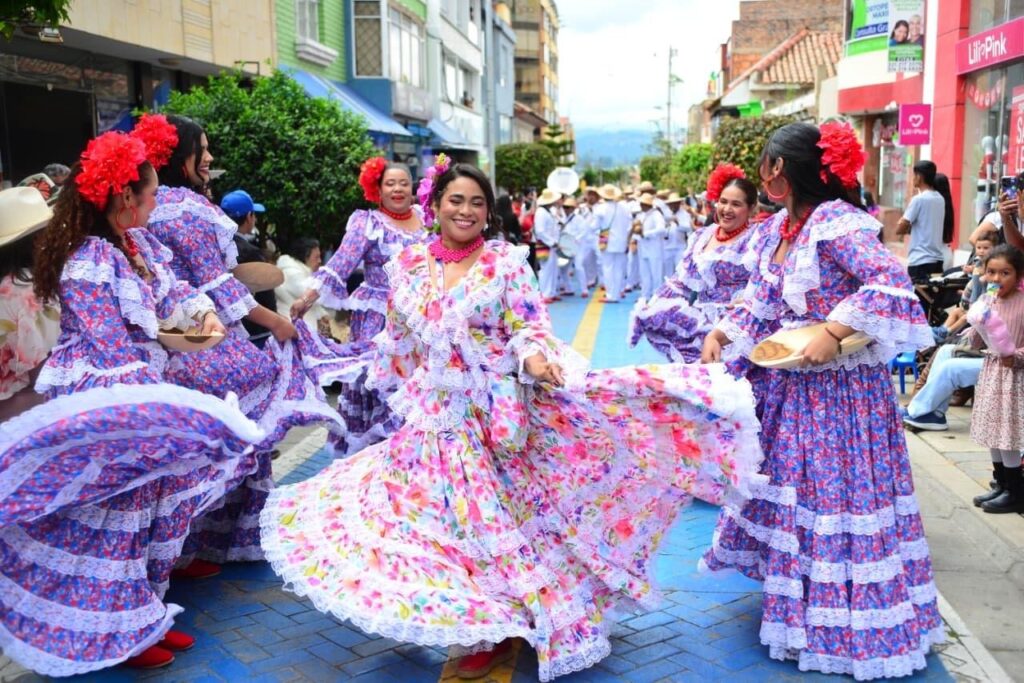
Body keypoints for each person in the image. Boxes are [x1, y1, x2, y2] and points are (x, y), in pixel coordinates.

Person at [260, 161, 763, 682]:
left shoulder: (504, 262)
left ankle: (495, 627)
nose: (466, 211)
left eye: (477, 203)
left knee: (489, 521)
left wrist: (536, 359)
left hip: (492, 414)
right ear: (435, 206)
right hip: (431, 415)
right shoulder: (407, 266)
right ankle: (464, 614)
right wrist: (383, 376)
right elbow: (401, 338)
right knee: (427, 519)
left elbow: (529, 326)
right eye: (456, 200)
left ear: (488, 212)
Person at [9, 129, 265, 674]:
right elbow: (109, 346)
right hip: (108, 401)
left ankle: (145, 618)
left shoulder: (138, 244)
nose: (155, 205)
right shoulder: (87, 259)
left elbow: (175, 294)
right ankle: (119, 633)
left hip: (141, 389)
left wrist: (202, 317)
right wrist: (160, 405)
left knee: (153, 508)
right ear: (125, 197)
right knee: (116, 520)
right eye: (149, 196)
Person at [701, 121, 943, 679]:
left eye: (766, 163)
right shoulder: (779, 228)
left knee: (836, 499)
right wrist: (722, 332)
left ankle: (848, 623)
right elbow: (761, 298)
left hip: (842, 396)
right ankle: (808, 607)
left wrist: (833, 330)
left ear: (781, 171)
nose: (761, 173)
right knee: (801, 494)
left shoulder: (836, 223)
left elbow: (891, 286)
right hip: (793, 388)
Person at [140, 113, 342, 571]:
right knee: (241, 421)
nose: (209, 157)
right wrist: (276, 322)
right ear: (180, 155)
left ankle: (183, 548)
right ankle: (196, 547)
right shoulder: (185, 208)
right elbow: (216, 283)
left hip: (165, 342)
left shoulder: (148, 207)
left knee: (188, 450)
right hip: (202, 338)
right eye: (202, 149)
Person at [289, 157, 431, 454]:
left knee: (421, 387)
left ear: (413, 188)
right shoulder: (368, 223)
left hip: (422, 317)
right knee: (379, 385)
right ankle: (379, 454)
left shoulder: (427, 218)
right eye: (390, 184)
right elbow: (341, 262)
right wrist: (307, 299)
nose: (397, 189)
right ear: (377, 189)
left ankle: (416, 454)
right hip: (380, 320)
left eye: (403, 183)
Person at [631, 164, 759, 366]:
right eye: (723, 201)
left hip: (739, 326)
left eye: (736, 204)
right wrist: (653, 305)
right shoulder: (702, 236)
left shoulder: (759, 239)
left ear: (751, 208)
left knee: (732, 377)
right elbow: (680, 283)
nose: (726, 209)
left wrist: (748, 299)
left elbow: (768, 286)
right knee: (698, 379)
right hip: (701, 326)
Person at [966, 244, 1024, 513]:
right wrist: (977, 324)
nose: (997, 278)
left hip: (1014, 377)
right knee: (992, 430)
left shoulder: (1021, 304)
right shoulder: (989, 301)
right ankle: (1000, 483)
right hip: (992, 371)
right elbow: (977, 341)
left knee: (1006, 434)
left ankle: (1015, 491)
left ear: (1019, 275)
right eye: (991, 272)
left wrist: (1017, 356)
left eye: (1005, 273)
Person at [0, 187, 59, 422]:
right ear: (37, 241)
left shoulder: (11, 283)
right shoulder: (24, 290)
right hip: (11, 412)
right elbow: (44, 377)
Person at [221, 188, 276, 347]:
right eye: (254, 214)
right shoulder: (250, 253)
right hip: (254, 333)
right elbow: (266, 297)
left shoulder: (215, 246)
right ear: (248, 217)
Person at [898, 160, 949, 281]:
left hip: (920, 261)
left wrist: (903, 224)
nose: (913, 178)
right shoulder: (940, 199)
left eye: (914, 175)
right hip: (937, 260)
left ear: (919, 177)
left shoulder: (918, 199)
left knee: (918, 292)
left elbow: (901, 228)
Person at [276, 237, 327, 328]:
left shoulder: (303, 271)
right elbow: (313, 295)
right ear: (305, 257)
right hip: (294, 325)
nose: (319, 261)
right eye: (316, 257)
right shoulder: (291, 272)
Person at [596, 184, 630, 303]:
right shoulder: (624, 208)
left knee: (608, 268)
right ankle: (616, 294)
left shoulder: (600, 208)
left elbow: (594, 226)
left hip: (607, 241)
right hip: (621, 241)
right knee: (619, 269)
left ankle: (610, 294)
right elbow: (628, 225)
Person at [635, 192, 666, 301]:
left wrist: (646, 233)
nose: (640, 205)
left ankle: (656, 297)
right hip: (643, 247)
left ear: (647, 204)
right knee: (644, 273)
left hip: (654, 248)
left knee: (656, 273)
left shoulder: (656, 214)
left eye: (642, 203)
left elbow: (661, 229)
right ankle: (645, 295)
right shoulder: (642, 215)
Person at [533, 188, 562, 303]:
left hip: (552, 245)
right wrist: (552, 242)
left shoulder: (549, 211)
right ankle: (544, 294)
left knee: (553, 269)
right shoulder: (541, 212)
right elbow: (540, 231)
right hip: (545, 244)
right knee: (546, 269)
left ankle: (552, 292)